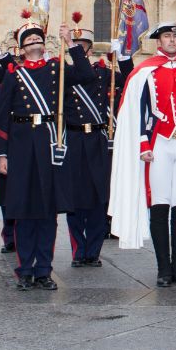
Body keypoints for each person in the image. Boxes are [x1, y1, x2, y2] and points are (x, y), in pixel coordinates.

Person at [0, 12, 96, 290]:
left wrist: (71, 43)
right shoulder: (14, 75)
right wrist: (1, 154)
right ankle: (25, 269)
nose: (35, 41)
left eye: (38, 37)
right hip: (21, 146)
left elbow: (86, 75)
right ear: (21, 48)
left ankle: (44, 270)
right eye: (29, 39)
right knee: (24, 212)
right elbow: (1, 117)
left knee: (48, 212)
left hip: (50, 145)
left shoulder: (57, 68)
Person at [113, 21, 176, 287]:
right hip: (159, 142)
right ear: (158, 42)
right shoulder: (146, 71)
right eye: (167, 37)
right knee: (160, 205)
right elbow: (141, 110)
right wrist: (143, 144)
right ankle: (163, 268)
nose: (172, 40)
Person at [63, 14, 132, 268]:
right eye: (74, 45)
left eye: (81, 46)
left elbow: (132, 80)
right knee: (75, 198)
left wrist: (122, 57)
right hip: (73, 137)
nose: (77, 49)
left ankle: (93, 250)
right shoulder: (65, 74)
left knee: (98, 197)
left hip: (98, 140)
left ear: (90, 49)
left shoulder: (105, 74)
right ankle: (78, 250)